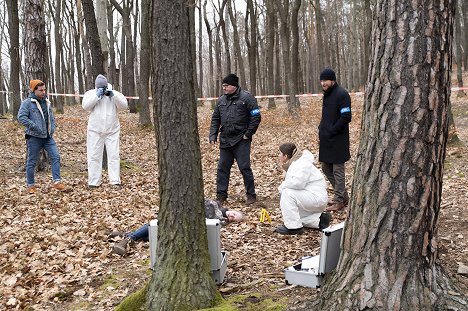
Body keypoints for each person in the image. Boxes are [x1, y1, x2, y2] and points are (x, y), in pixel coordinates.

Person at [110, 199, 244, 256]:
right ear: (233, 210)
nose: (232, 216)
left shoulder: (219, 224)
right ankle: (128, 239)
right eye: (235, 214)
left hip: (186, 227)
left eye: (234, 220)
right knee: (159, 224)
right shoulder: (216, 205)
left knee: (156, 234)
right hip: (181, 213)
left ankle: (123, 235)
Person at [209, 73, 261, 205]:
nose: (224, 88)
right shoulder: (221, 100)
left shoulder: (247, 98)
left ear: (234, 85)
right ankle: (221, 195)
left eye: (226, 86)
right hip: (225, 140)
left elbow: (256, 117)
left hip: (241, 140)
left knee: (244, 167)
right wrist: (213, 134)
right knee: (222, 168)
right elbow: (215, 118)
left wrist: (248, 134)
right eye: (223, 86)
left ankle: (251, 195)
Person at [17, 80, 66, 194]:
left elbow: (51, 117)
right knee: (32, 161)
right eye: (41, 90)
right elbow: (21, 117)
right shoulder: (27, 103)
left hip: (48, 137)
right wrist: (34, 126)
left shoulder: (47, 102)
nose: (43, 92)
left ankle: (57, 182)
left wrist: (52, 127)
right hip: (34, 137)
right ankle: (30, 185)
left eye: (44, 90)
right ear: (34, 90)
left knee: (56, 157)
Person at [82, 74, 128, 187]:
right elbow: (85, 106)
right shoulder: (90, 94)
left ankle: (115, 181)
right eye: (99, 87)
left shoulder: (114, 93)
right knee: (93, 156)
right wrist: (97, 96)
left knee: (114, 156)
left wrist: (113, 96)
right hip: (95, 130)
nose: (101, 89)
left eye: (103, 87)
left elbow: (124, 106)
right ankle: (94, 182)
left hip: (112, 130)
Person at [275, 143, 331, 235]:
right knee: (294, 215)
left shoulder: (301, 164)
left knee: (287, 193)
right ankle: (320, 220)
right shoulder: (297, 163)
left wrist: (282, 186)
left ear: (285, 156)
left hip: (316, 198)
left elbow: (298, 183)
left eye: (280, 154)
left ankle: (294, 227)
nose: (278, 156)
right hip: (312, 196)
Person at [318, 68, 352, 212]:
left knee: (338, 169)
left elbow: (346, 117)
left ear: (332, 80)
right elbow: (327, 116)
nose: (323, 83)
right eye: (321, 80)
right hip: (326, 139)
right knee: (326, 167)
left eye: (325, 80)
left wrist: (332, 130)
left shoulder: (342, 94)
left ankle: (339, 200)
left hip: (338, 139)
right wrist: (321, 130)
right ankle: (343, 195)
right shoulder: (327, 94)